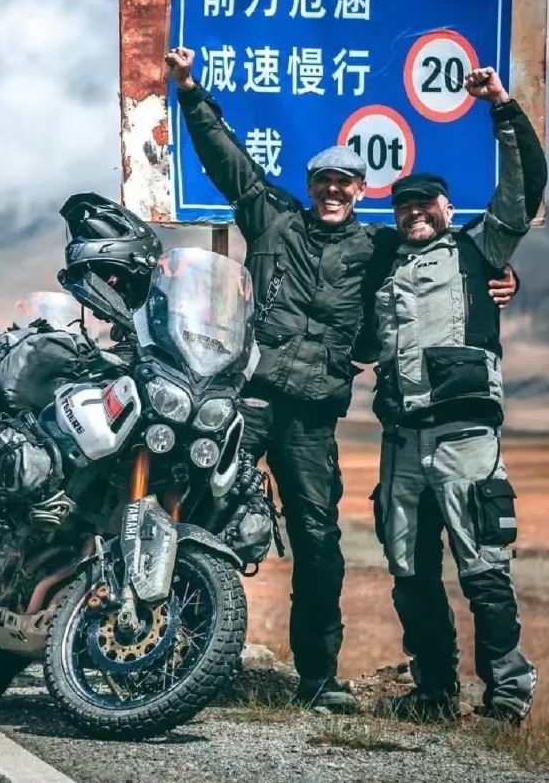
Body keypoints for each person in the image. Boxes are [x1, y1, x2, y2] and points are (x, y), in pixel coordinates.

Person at [164, 47, 518, 714]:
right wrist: (189, 91)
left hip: (314, 415)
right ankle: (175, 654)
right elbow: (225, 155)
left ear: (361, 193)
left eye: (345, 183)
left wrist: (499, 277)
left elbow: (442, 260)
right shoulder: (273, 219)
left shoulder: (376, 248)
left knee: (319, 543)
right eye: (324, 180)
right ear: (312, 183)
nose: (333, 190)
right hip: (251, 397)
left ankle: (317, 677)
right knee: (198, 511)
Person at [364, 67, 547, 726]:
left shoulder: (479, 252)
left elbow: (525, 187)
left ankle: (507, 689)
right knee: (410, 571)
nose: (414, 212)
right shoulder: (383, 271)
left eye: (425, 204)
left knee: (482, 567)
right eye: (403, 205)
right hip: (401, 443)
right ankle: (436, 691)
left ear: (445, 207)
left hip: (465, 437)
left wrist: (502, 107)